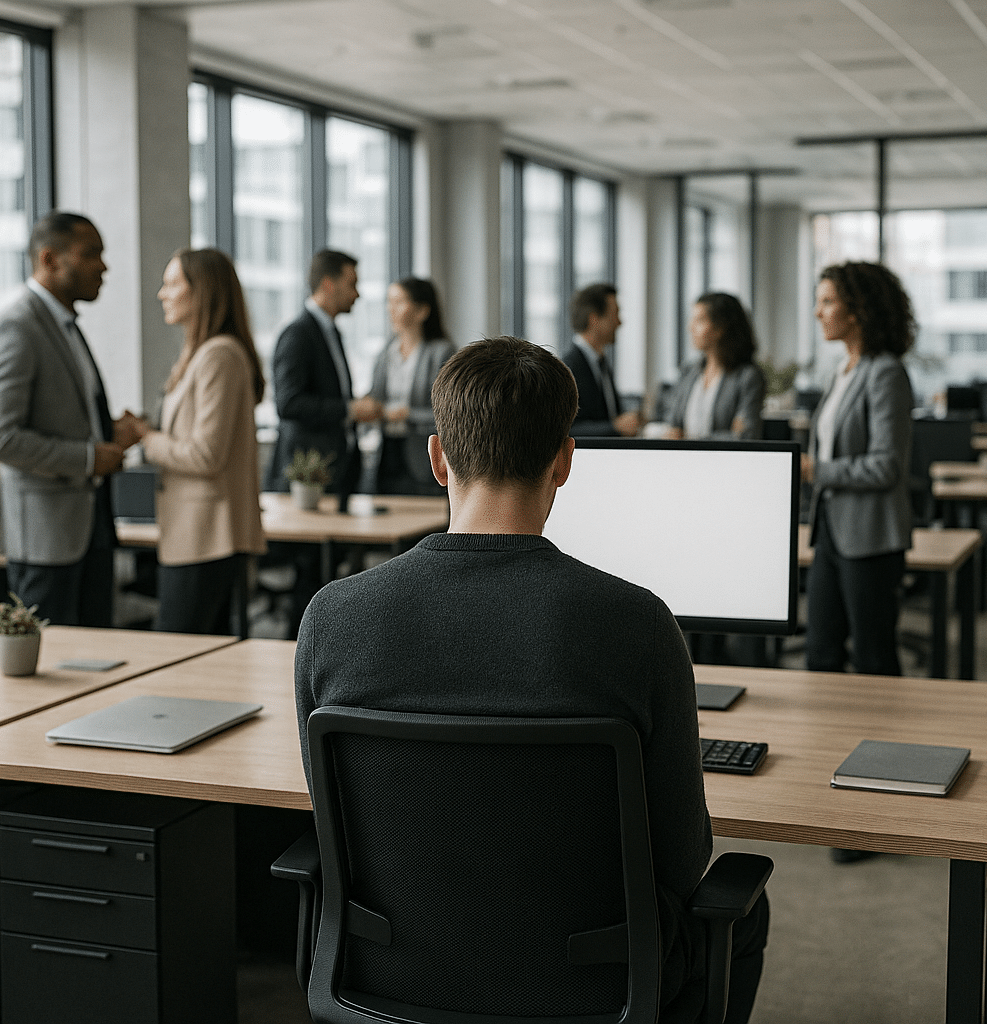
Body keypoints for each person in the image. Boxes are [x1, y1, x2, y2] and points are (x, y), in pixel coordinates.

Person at [294, 335, 768, 1024]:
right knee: (741, 911)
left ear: (436, 459)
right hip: (595, 980)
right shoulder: (637, 624)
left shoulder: (332, 618)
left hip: (390, 968)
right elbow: (683, 860)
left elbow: (335, 816)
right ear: (566, 461)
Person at [0, 211, 142, 626]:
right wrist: (88, 458)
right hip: (46, 538)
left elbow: (62, 420)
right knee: (56, 666)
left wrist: (111, 435)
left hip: (90, 523)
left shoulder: (65, 325)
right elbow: (2, 436)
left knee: (96, 661)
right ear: (49, 259)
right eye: (90, 253)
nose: (103, 265)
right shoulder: (18, 325)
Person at [130, 248, 267, 634]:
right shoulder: (198, 354)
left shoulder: (218, 356)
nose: (162, 293)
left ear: (202, 292)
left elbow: (206, 454)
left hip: (208, 534)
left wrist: (147, 438)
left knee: (177, 656)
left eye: (173, 284)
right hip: (196, 533)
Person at [803, 261, 915, 679]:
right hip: (830, 530)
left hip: (870, 536)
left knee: (873, 658)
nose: (819, 312)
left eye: (828, 302)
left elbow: (887, 466)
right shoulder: (844, 371)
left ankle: (884, 742)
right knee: (820, 652)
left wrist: (819, 471)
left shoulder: (885, 372)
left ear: (858, 309)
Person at [267, 249, 376, 501]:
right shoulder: (297, 334)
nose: (357, 294)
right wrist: (350, 409)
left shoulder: (331, 333)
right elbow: (288, 403)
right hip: (307, 477)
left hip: (337, 471)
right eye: (351, 284)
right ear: (328, 284)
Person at [361, 277, 454, 495]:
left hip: (423, 456)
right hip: (387, 451)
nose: (390, 309)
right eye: (389, 302)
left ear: (422, 310)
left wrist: (407, 414)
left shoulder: (441, 353)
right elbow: (376, 396)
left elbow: (450, 413)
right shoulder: (386, 353)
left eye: (399, 302)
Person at [666, 293, 765, 440]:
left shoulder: (747, 377)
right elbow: (672, 427)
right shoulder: (688, 372)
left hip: (726, 462)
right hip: (683, 462)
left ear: (720, 327)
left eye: (699, 320)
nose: (690, 327)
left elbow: (745, 436)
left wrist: (688, 440)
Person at [563, 283, 643, 437]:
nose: (619, 322)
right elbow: (566, 429)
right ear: (594, 319)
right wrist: (615, 427)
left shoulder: (601, 363)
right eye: (615, 314)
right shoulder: (569, 368)